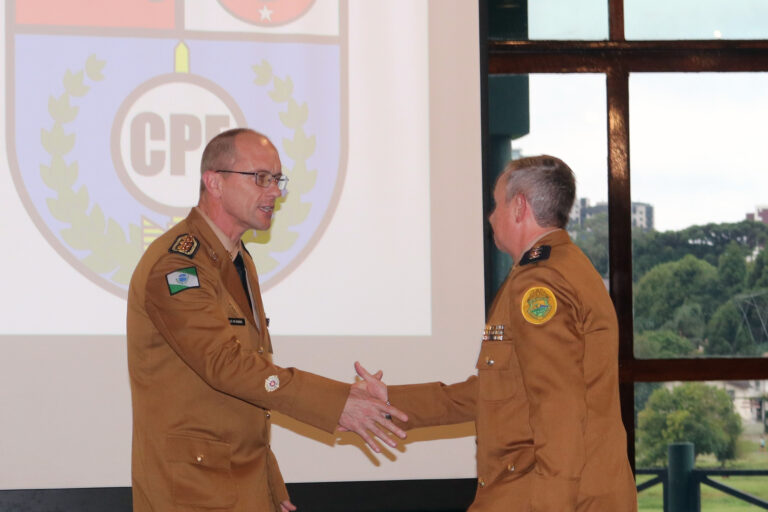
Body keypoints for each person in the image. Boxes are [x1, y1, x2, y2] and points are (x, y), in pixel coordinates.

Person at [127, 128, 406, 512]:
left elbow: (252, 394)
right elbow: (225, 365)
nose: (274, 191)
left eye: (277, 179)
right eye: (260, 178)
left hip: (238, 484)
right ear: (215, 182)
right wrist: (335, 402)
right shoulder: (178, 265)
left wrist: (269, 491)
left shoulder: (238, 261)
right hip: (192, 489)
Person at [359, 155, 637, 511]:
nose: (491, 216)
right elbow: (500, 391)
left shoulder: (540, 283)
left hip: (550, 496)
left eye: (496, 204)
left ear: (519, 207)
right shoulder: (566, 265)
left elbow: (559, 410)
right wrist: (390, 400)